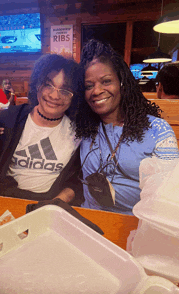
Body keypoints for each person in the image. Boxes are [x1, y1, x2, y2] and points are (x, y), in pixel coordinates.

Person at [72, 39, 179, 215]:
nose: (96, 91)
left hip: (139, 224)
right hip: (90, 220)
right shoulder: (83, 128)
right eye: (88, 86)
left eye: (106, 81)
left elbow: (170, 195)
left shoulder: (157, 129)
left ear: (122, 83)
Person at [0, 54, 83, 206]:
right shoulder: (7, 120)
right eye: (48, 85)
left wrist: (52, 206)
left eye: (65, 90)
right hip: (7, 199)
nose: (54, 95)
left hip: (49, 205)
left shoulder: (79, 132)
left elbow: (76, 181)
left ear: (73, 97)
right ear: (38, 84)